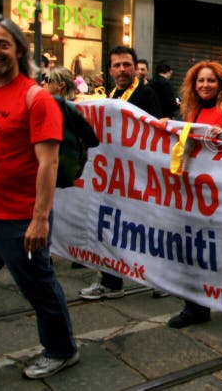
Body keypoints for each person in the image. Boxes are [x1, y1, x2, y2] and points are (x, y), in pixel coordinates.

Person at [0, 15, 78, 382]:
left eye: (2, 44)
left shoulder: (37, 99)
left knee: (39, 290)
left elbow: (48, 162)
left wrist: (40, 219)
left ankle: (61, 349)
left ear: (19, 51)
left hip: (21, 221)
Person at [167, 61, 222, 328]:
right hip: (195, 193)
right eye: (200, 81)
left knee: (218, 252)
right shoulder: (192, 113)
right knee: (192, 250)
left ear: (220, 84)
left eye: (211, 81)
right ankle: (195, 307)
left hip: (219, 196)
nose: (205, 85)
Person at [80, 46, 160, 300]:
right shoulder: (112, 94)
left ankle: (161, 279)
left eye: (127, 64)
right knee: (111, 227)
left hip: (138, 177)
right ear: (110, 69)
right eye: (117, 65)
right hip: (114, 176)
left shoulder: (146, 94)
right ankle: (111, 281)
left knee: (143, 229)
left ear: (136, 67)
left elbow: (156, 133)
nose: (122, 69)